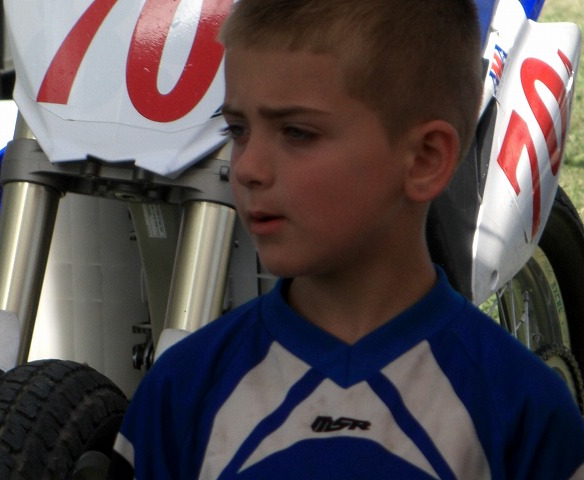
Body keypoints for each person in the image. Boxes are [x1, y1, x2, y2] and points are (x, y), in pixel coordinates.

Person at [109, 0, 584, 478]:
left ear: (425, 159)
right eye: (238, 130)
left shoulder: (524, 414)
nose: (247, 167)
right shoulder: (180, 392)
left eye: (296, 132)